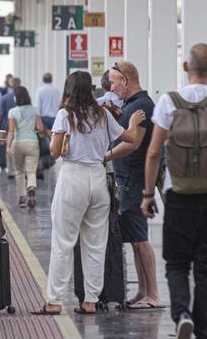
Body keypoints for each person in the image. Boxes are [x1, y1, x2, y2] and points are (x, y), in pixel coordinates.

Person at [142, 44, 207, 339]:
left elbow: (154, 152)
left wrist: (148, 194)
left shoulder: (168, 102)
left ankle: (182, 314)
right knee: (206, 271)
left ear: (186, 66)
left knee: (176, 264)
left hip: (179, 193)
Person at [31, 71, 145, 316]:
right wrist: (133, 122)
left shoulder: (65, 115)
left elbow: (53, 152)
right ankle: (90, 301)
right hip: (98, 177)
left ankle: (54, 301)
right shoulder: (103, 114)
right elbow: (130, 137)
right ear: (91, 90)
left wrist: (57, 139)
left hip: (73, 177)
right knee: (95, 243)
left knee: (63, 242)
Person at [106, 61, 160, 310]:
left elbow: (133, 143)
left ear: (126, 80)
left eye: (115, 81)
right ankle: (143, 290)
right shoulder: (130, 106)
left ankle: (154, 294)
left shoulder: (142, 106)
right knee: (134, 238)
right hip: (127, 179)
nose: (111, 86)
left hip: (135, 180)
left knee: (140, 239)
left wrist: (104, 157)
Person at [7, 86, 43, 209]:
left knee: (19, 171)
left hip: (18, 143)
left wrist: (8, 146)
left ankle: (21, 198)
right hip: (32, 142)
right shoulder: (35, 110)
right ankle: (31, 188)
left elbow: (11, 131)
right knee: (31, 170)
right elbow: (40, 128)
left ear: (16, 98)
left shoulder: (12, 111)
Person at [0, 77, 21, 175]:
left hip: (8, 126)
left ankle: (11, 171)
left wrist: (0, 127)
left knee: (9, 147)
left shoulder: (5, 97)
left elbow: (2, 114)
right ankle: (19, 169)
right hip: (21, 125)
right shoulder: (23, 96)